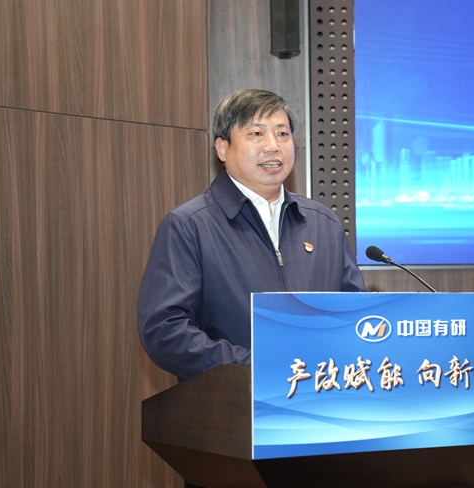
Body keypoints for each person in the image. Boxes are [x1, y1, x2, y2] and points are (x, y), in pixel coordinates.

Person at [137, 89, 367, 381]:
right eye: (257, 134)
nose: (273, 146)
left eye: (282, 134)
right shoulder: (189, 225)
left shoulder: (323, 223)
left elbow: (355, 314)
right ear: (223, 148)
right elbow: (165, 329)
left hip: (322, 392)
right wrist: (253, 366)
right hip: (234, 400)